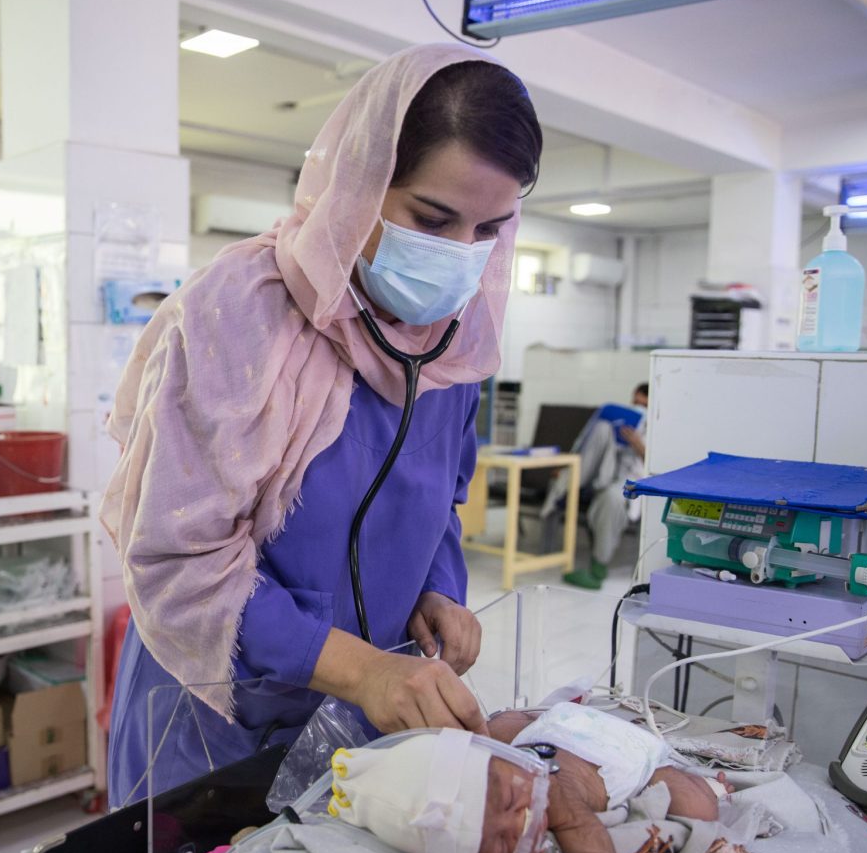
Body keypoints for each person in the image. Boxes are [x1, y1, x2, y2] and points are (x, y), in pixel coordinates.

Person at [102, 44, 543, 804]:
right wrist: (361, 668)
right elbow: (178, 560)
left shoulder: (452, 341)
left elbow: (436, 499)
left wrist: (438, 591)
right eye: (432, 219)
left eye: (488, 230)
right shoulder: (238, 315)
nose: (459, 256)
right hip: (216, 713)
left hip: (361, 710)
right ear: (358, 185)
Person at [329, 715, 730, 853]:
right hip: (565, 736)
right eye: (503, 842)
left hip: (617, 749)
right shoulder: (510, 778)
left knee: (700, 808)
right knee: (503, 725)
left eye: (506, 801)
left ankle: (715, 784)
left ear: (493, 757)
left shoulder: (553, 790)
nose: (523, 821)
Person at [545, 382, 649, 590]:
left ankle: (598, 568)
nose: (637, 406)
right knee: (602, 427)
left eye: (642, 404)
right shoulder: (624, 424)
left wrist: (639, 445)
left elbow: (657, 468)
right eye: (634, 402)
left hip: (635, 481)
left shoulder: (662, 429)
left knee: (611, 497)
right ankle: (572, 475)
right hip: (605, 472)